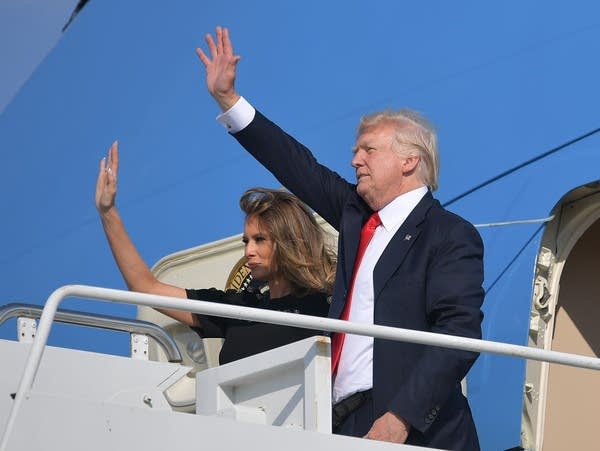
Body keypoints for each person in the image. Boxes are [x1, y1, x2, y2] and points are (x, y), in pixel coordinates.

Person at [196, 27, 485, 450]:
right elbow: (296, 165)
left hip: (409, 425)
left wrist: (401, 417)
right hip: (339, 421)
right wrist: (228, 100)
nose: (355, 159)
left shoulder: (449, 235)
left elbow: (459, 334)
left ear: (409, 160)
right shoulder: (356, 216)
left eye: (368, 150)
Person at [95, 141, 336, 365]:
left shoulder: (330, 304)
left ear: (289, 241)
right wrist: (108, 213)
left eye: (259, 240)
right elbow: (146, 288)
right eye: (246, 241)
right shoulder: (238, 309)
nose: (248, 251)